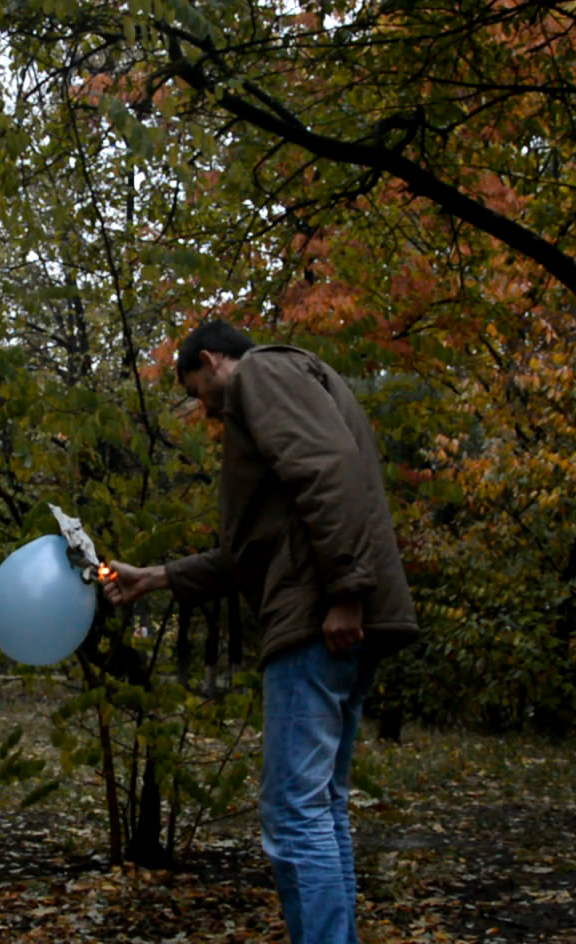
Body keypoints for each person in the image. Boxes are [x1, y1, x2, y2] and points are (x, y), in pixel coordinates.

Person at [105, 320, 419, 944]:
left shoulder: (262, 374)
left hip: (317, 621)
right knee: (321, 808)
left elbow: (328, 471)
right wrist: (157, 577)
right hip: (326, 613)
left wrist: (347, 594)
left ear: (214, 359)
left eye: (198, 387)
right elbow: (246, 554)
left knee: (293, 814)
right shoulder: (292, 386)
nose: (205, 406)